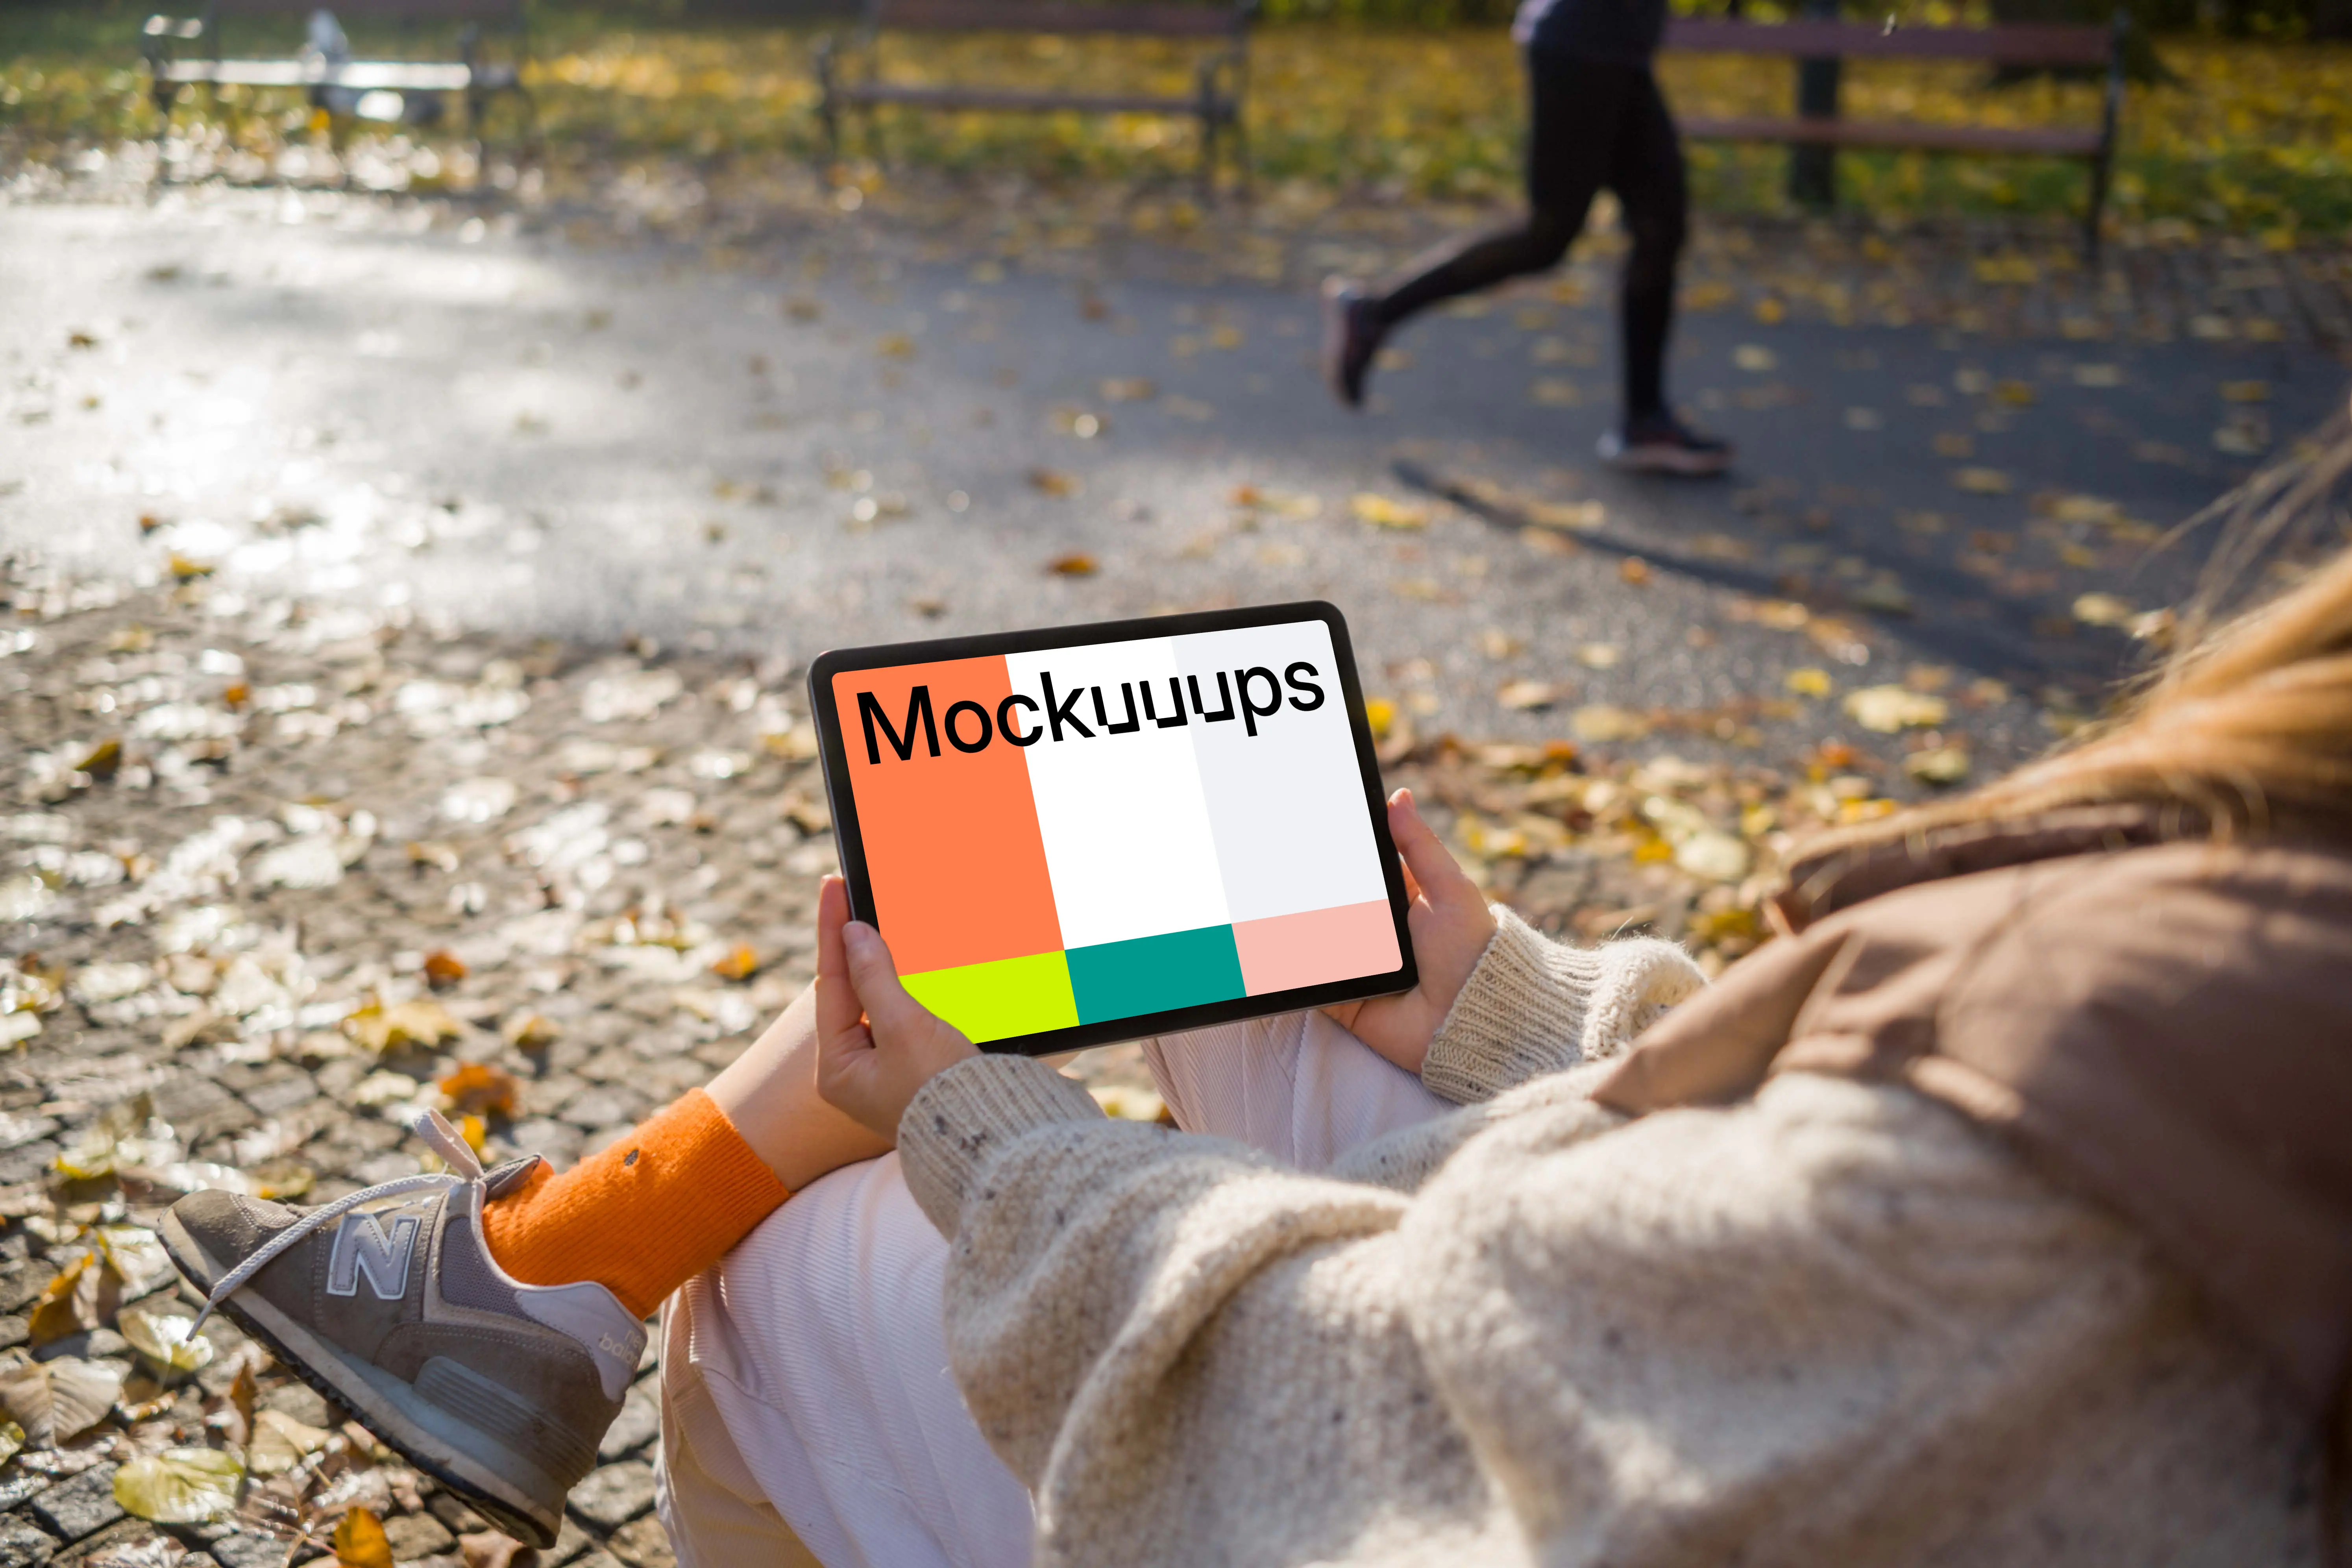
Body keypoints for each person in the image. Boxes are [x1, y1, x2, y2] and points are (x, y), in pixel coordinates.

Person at [169, 432, 2352, 1562]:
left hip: (1418, 1431)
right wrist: (1512, 1005)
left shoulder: (2121, 1178)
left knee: (795, 1272)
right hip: (1633, 1283)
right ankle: (549, 1273)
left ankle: (575, 1270)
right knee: (1262, 904)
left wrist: (990, 1136)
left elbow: (1353, 1432)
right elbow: (1795, 1154)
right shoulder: (2247, 1000)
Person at [1320, 0, 1734, 476]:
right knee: (1547, 235)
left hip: (1620, 50)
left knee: (1660, 228)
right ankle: (1373, 313)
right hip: (1583, 44)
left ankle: (1645, 421)